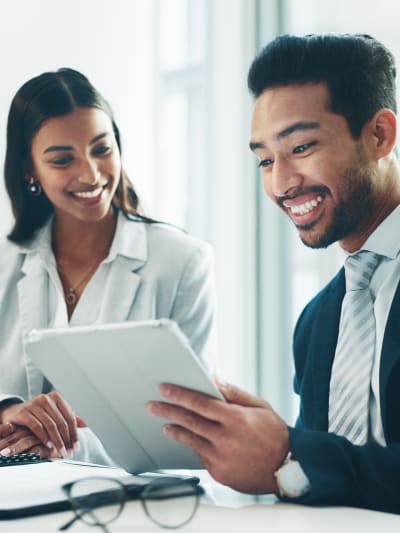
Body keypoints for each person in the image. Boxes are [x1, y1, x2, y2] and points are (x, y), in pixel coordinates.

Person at [147, 34, 400, 514]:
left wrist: (290, 454)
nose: (281, 183)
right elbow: (336, 481)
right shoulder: (318, 321)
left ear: (379, 136)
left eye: (301, 147)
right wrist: (274, 449)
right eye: (265, 160)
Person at [0, 68, 217, 464]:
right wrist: (7, 413)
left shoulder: (181, 262)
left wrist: (58, 443)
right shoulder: (5, 262)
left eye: (102, 149)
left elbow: (192, 427)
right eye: (63, 159)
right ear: (29, 169)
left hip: (134, 504)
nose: (91, 174)